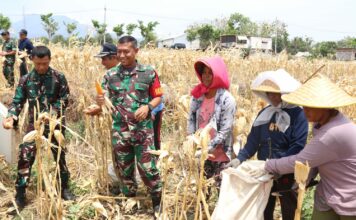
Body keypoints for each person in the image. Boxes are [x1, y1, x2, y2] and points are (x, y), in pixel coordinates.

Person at [249, 75, 356, 220]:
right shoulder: (322, 124)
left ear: (324, 107)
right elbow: (317, 161)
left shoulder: (332, 133)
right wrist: (305, 178)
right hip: (328, 195)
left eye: (309, 107)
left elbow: (300, 160)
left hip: (350, 199)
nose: (305, 111)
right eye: (304, 106)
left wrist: (266, 165)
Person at [226, 69, 309, 220]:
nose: (273, 97)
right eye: (269, 93)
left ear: (286, 92)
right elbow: (253, 141)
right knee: (263, 210)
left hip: (287, 172)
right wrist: (240, 158)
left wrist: (278, 166)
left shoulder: (299, 115)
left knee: (290, 211)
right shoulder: (264, 114)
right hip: (263, 171)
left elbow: (297, 146)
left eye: (277, 93)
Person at [94, 36, 163, 214]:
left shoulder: (148, 72)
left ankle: (157, 200)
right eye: (119, 52)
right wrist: (100, 101)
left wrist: (148, 107)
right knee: (124, 169)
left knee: (148, 168)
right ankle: (130, 200)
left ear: (136, 51)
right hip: (120, 131)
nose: (122, 55)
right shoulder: (110, 75)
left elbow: (158, 97)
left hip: (143, 131)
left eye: (127, 51)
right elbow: (104, 100)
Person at [2, 46, 75, 209]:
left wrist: (52, 113)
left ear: (49, 60)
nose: (41, 67)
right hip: (33, 127)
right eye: (38, 64)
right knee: (25, 157)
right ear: (32, 61)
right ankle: (20, 194)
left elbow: (64, 99)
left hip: (55, 126)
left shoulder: (59, 78)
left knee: (60, 157)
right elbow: (18, 102)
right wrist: (11, 117)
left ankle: (64, 188)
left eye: (45, 63)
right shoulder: (26, 80)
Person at [188, 56, 236, 188]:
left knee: (222, 192)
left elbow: (225, 131)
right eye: (204, 72)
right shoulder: (198, 95)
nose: (206, 76)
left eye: (210, 73)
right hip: (203, 153)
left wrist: (207, 148)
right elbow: (191, 118)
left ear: (218, 75)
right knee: (202, 191)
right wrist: (191, 140)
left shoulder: (227, 100)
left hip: (221, 154)